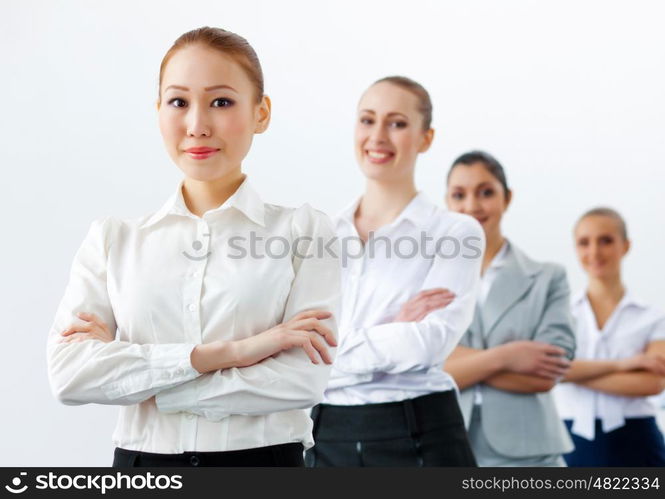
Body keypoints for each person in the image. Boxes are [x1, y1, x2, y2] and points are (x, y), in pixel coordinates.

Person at [46, 27, 340, 467]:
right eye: (178, 102)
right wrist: (237, 352)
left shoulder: (304, 231)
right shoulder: (113, 240)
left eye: (221, 102)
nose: (197, 125)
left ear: (262, 113)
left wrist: (145, 378)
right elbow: (69, 374)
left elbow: (301, 382)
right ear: (159, 110)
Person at [305, 76, 484, 467]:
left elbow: (428, 343)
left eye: (397, 123)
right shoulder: (319, 235)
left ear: (426, 138)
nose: (378, 135)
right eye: (367, 120)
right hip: (324, 434)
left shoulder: (455, 232)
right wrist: (393, 330)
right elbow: (290, 352)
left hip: (418, 430)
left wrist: (330, 353)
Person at [442, 151, 575, 466]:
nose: (472, 205)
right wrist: (509, 356)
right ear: (447, 203)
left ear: (507, 198)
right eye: (459, 195)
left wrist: (456, 362)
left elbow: (547, 372)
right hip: (445, 445)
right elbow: (420, 367)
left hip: (529, 455)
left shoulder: (547, 278)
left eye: (485, 192)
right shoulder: (427, 279)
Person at [554, 207, 665, 466]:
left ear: (625, 246)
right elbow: (549, 370)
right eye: (584, 242)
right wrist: (624, 366)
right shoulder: (559, 313)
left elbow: (652, 383)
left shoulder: (652, 317)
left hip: (639, 443)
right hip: (572, 442)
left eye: (606, 240)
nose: (594, 252)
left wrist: (571, 372)